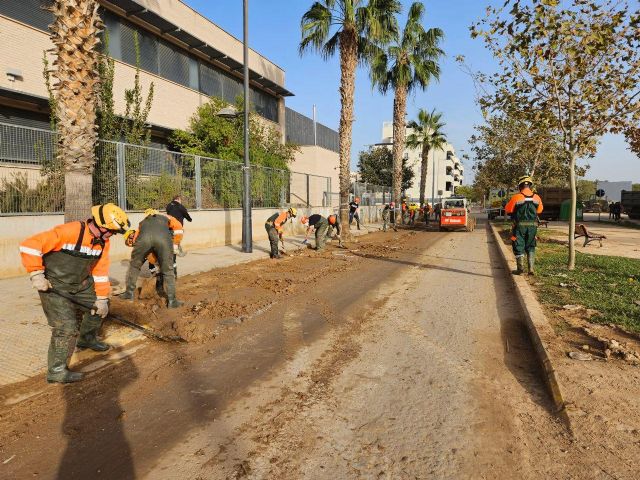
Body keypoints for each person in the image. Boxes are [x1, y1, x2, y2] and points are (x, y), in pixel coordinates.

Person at [19, 203, 130, 383]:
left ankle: (87, 339)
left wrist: (101, 298)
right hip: (55, 286)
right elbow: (29, 245)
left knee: (100, 307)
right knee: (65, 327)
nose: (112, 235)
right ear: (101, 226)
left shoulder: (103, 242)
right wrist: (36, 273)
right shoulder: (70, 231)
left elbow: (100, 271)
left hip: (81, 284)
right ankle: (56, 371)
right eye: (111, 231)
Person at [120, 209, 184, 307]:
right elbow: (179, 227)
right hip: (163, 239)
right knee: (168, 270)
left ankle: (129, 293)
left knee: (134, 266)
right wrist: (175, 244)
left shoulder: (142, 223)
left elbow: (141, 242)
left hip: (144, 239)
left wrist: (155, 260)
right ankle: (172, 301)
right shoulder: (167, 217)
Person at [505, 175, 544, 275]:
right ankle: (531, 269)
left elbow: (508, 210)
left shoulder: (516, 197)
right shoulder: (537, 197)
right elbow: (539, 210)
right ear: (530, 186)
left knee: (518, 244)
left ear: (520, 186)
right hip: (533, 226)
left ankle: (520, 269)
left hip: (519, 227)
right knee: (531, 245)